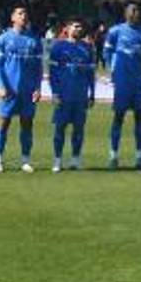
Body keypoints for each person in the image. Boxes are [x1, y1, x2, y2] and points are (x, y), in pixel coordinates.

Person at [0, 6, 43, 173]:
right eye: (20, 13)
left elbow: (38, 68)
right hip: (9, 90)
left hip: (27, 91)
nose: (23, 16)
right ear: (12, 17)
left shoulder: (34, 40)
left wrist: (38, 88)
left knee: (27, 125)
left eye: (25, 13)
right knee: (3, 123)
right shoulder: (3, 39)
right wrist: (2, 86)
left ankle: (25, 160)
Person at [105, 2, 141, 170]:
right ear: (125, 13)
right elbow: (107, 51)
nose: (134, 12)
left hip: (138, 81)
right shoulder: (115, 31)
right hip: (122, 80)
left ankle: (140, 157)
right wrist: (111, 69)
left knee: (140, 116)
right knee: (119, 117)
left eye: (137, 10)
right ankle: (113, 156)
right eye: (132, 10)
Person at [49, 18, 97, 172]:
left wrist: (92, 94)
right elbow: (52, 73)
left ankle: (75, 159)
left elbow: (91, 74)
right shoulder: (58, 47)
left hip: (80, 95)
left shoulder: (87, 48)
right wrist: (54, 92)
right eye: (75, 26)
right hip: (63, 95)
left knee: (79, 129)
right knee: (60, 128)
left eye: (80, 27)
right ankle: (57, 160)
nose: (78, 29)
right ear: (67, 28)